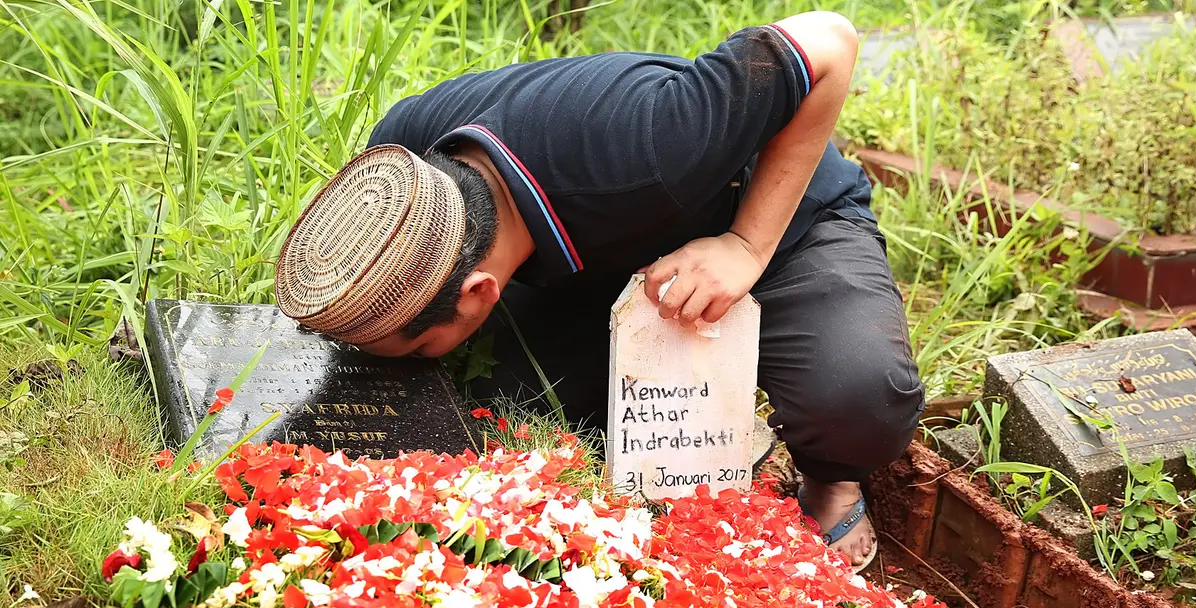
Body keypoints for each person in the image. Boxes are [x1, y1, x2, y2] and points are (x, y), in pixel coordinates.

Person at [274, 11, 923, 572]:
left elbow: (828, 40)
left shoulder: (649, 141)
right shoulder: (404, 159)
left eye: (422, 348)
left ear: (476, 293)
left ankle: (829, 480)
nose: (426, 358)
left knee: (857, 395)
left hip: (779, 225)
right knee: (509, 406)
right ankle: (697, 434)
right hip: (606, 260)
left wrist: (746, 247)